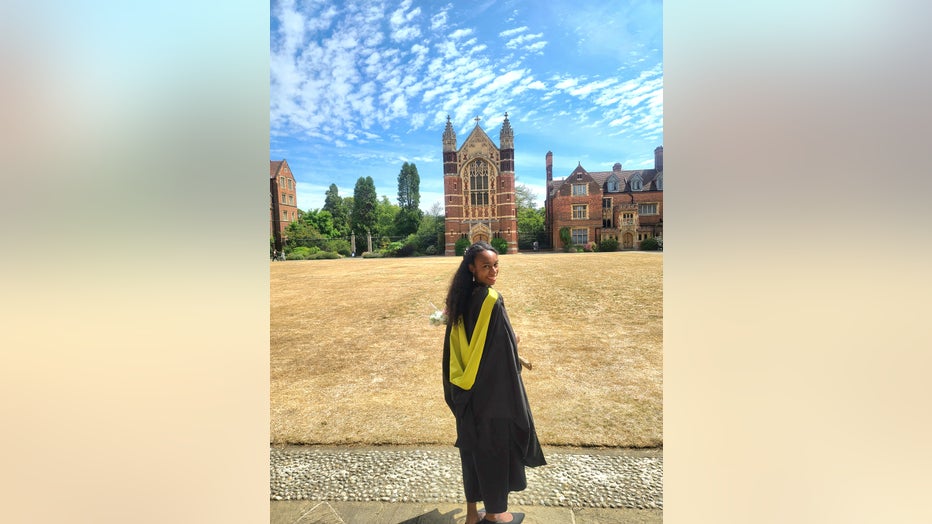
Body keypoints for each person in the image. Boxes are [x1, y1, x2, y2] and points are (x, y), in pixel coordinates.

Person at [442, 241, 546, 524]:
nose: (493, 270)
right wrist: (515, 343)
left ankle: (472, 514)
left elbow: (457, 347)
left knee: (471, 450)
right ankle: (496, 514)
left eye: (496, 264)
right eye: (486, 265)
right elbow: (499, 349)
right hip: (491, 393)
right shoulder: (490, 299)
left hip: (464, 388)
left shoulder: (460, 298)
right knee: (493, 450)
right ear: (472, 268)